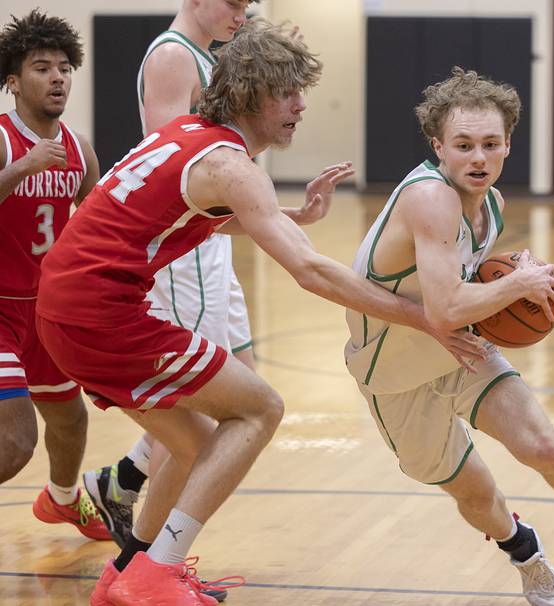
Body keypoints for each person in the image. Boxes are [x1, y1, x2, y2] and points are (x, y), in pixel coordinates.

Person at [35, 19, 479, 606]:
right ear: (252, 93)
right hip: (100, 314)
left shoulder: (187, 135)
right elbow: (312, 272)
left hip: (64, 307)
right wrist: (426, 317)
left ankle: (127, 574)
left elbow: (177, 211)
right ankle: (157, 573)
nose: (300, 106)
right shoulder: (229, 164)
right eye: (289, 91)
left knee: (194, 444)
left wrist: (287, 215)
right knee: (261, 409)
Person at [343, 67, 554, 606]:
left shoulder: (493, 206)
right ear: (439, 147)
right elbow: (446, 305)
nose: (477, 158)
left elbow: (464, 291)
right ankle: (526, 554)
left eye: (490, 144)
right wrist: (521, 283)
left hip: (460, 353)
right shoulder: (429, 198)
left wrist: (516, 281)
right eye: (463, 145)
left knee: (542, 445)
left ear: (508, 144)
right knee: (475, 491)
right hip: (392, 372)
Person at [81, 0, 329, 560]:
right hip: (183, 247)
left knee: (240, 376)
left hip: (210, 240)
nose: (243, 10)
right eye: (234, 2)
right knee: (204, 406)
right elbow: (172, 162)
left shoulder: (206, 55)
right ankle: (149, 556)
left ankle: (121, 483)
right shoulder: (173, 56)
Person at [0, 9, 109, 541]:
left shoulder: (79, 149)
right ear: (13, 82)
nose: (58, 77)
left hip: (43, 312)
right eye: (42, 67)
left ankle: (63, 500)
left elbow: (99, 224)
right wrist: (21, 168)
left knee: (69, 420)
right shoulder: (3, 141)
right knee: (16, 442)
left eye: (65, 67)